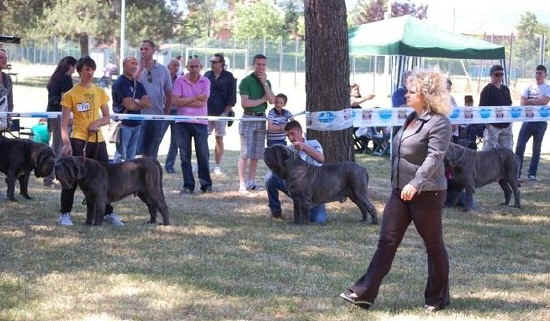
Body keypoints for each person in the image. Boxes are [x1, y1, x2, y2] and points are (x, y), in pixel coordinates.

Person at [340, 71, 452, 312]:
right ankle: (363, 294)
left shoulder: (439, 122)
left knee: (433, 245)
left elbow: (434, 158)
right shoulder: (411, 117)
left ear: (425, 95)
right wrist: (402, 184)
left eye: (411, 91)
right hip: (400, 191)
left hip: (427, 192)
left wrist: (416, 183)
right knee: (387, 241)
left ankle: (438, 298)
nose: (405, 95)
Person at [58, 56, 123, 226]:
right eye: (86, 69)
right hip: (78, 140)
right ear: (79, 71)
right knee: (71, 178)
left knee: (104, 178)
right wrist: (66, 143)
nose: (89, 72)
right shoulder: (70, 94)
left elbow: (108, 117)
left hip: (98, 140)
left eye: (92, 69)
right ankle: (65, 214)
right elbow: (64, 124)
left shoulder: (100, 92)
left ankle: (107, 212)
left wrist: (98, 122)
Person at [265, 120, 326, 223]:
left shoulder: (313, 143)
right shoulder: (288, 149)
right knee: (270, 178)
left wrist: (304, 147)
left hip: (314, 190)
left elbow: (321, 159)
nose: (291, 138)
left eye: (293, 134)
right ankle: (276, 211)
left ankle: (306, 206)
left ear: (300, 132)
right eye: (288, 135)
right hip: (295, 186)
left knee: (317, 220)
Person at [172, 56, 212, 194]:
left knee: (203, 154)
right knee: (184, 156)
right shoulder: (179, 80)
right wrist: (195, 98)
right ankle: (188, 185)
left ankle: (206, 184)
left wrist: (185, 100)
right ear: (187, 67)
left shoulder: (205, 81)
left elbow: (203, 102)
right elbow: (176, 102)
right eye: (191, 66)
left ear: (200, 67)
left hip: (200, 122)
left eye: (196, 66)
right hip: (182, 122)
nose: (194, 69)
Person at [238, 54, 275, 192]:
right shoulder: (246, 81)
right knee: (245, 153)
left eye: (263, 65)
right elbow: (245, 103)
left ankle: (251, 181)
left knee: (256, 153)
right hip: (248, 118)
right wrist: (262, 100)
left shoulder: (267, 81)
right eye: (258, 64)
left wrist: (265, 84)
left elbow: (272, 100)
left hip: (261, 119)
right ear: (254, 65)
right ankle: (242, 183)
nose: (261, 67)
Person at [136, 40, 172, 159]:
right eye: (141, 49)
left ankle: (150, 176)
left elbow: (168, 92)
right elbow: (131, 84)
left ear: (153, 50)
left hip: (157, 115)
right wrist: (140, 67)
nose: (143, 51)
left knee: (152, 151)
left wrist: (166, 112)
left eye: (146, 49)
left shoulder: (163, 70)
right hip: (139, 116)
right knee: (138, 151)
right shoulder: (136, 69)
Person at [44, 56, 76, 187]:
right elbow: (65, 99)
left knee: (55, 146)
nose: (75, 69)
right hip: (60, 115)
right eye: (74, 66)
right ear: (70, 66)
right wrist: (69, 117)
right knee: (59, 147)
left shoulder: (55, 77)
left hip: (51, 113)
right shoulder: (66, 79)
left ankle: (50, 176)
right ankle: (51, 177)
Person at [111, 57, 151, 162]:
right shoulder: (120, 83)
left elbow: (148, 103)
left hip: (137, 124)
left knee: (131, 158)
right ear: (124, 65)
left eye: (136, 64)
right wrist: (139, 102)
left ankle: (129, 177)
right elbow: (129, 106)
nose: (134, 66)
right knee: (121, 156)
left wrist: (136, 102)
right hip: (124, 125)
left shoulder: (138, 84)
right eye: (132, 63)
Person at [515, 64, 550, 181]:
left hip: (541, 122)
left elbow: (544, 101)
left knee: (536, 148)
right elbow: (522, 102)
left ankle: (532, 174)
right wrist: (536, 101)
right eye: (536, 73)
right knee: (520, 146)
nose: (538, 75)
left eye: (540, 73)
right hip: (527, 121)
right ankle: (516, 173)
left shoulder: (547, 88)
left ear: (545, 75)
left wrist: (531, 101)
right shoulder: (529, 87)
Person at [205, 53, 236, 175]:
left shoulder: (229, 77)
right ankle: (203, 163)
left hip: (222, 112)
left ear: (221, 63)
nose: (212, 64)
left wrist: (226, 112)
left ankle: (217, 165)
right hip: (206, 112)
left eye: (215, 62)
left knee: (219, 138)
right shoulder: (207, 75)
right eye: (211, 62)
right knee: (202, 139)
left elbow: (232, 96)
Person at [479, 65, 513, 151]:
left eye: (501, 74)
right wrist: (488, 126)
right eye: (496, 74)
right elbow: (481, 110)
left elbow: (509, 106)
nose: (499, 77)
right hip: (492, 127)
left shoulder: (506, 89)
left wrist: (510, 123)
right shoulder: (487, 90)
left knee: (507, 152)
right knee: (488, 153)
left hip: (506, 126)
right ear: (491, 75)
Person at [164, 58, 181, 174]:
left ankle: (169, 165)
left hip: (176, 113)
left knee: (175, 141)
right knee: (157, 138)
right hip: (164, 112)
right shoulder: (163, 78)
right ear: (168, 67)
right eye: (173, 65)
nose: (175, 68)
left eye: (177, 66)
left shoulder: (180, 80)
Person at [0, 49, 14, 132]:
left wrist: (9, 117)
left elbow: (10, 101)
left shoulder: (7, 79)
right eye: (1, 57)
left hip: (3, 122)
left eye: (6, 58)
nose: (5, 60)